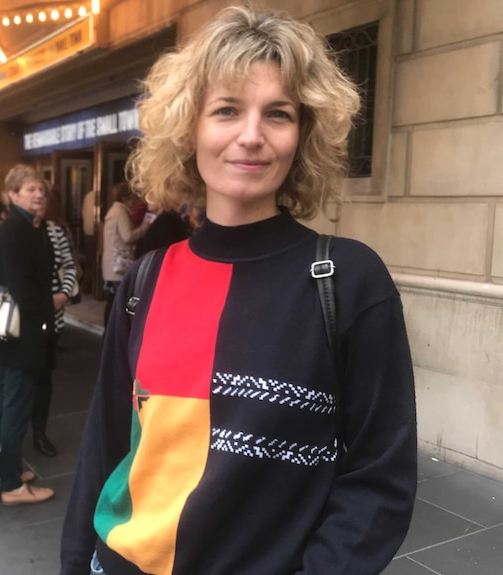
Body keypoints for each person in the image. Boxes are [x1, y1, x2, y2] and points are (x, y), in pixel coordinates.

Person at [60, 6, 417, 575]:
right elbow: (104, 449)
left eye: (277, 114)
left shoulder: (347, 280)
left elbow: (380, 478)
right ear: (190, 129)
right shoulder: (145, 280)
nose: (251, 137)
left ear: (303, 134)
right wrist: (77, 563)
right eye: (226, 110)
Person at [0, 164, 56, 506]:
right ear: (12, 194)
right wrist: (52, 303)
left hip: (14, 331)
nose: (39, 194)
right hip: (22, 332)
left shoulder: (25, 226)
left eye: (41, 189)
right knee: (14, 407)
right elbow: (22, 287)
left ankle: (1, 470)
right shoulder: (17, 228)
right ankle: (12, 485)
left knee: (4, 403)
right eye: (30, 189)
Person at [31, 185, 77, 458]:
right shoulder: (19, 230)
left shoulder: (57, 231)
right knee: (23, 377)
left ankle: (39, 431)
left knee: (44, 377)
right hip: (26, 316)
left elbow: (70, 266)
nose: (39, 200)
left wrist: (63, 294)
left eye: (43, 196)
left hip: (54, 315)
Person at [101, 182, 151, 326]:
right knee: (117, 301)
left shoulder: (112, 211)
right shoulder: (121, 212)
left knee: (111, 299)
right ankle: (111, 331)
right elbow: (127, 236)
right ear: (125, 198)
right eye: (132, 198)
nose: (135, 202)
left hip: (111, 264)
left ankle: (108, 330)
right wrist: (144, 227)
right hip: (119, 264)